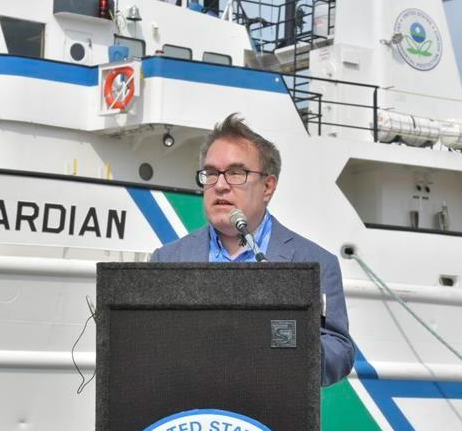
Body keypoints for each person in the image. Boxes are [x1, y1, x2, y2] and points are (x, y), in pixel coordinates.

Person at [150, 113, 355, 386]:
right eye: (211, 173)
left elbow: (339, 349)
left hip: (273, 416)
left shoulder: (317, 262)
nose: (220, 185)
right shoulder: (167, 260)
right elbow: (149, 344)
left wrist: (293, 348)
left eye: (236, 173)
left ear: (267, 187)